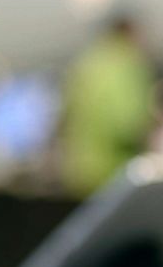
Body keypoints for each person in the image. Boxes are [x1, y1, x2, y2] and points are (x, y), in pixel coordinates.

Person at [59, 17, 155, 197]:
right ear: (130, 33)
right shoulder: (125, 63)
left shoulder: (86, 63)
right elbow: (127, 124)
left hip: (79, 170)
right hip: (112, 171)